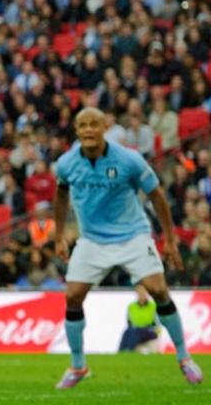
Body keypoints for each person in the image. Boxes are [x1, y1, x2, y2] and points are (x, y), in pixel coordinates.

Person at [53, 107, 202, 388]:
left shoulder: (128, 159)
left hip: (132, 235)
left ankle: (184, 357)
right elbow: (60, 194)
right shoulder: (66, 163)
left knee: (158, 290)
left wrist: (169, 239)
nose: (88, 130)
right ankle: (77, 365)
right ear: (76, 130)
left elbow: (156, 195)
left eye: (94, 124)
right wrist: (59, 234)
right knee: (72, 296)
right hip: (92, 240)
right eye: (82, 125)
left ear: (104, 127)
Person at [118, 285, 160, 353]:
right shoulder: (132, 306)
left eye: (143, 292)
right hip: (136, 331)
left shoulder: (153, 306)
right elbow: (129, 321)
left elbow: (157, 324)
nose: (141, 294)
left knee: (135, 331)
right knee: (128, 331)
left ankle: (128, 350)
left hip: (149, 330)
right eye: (140, 292)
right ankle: (121, 351)